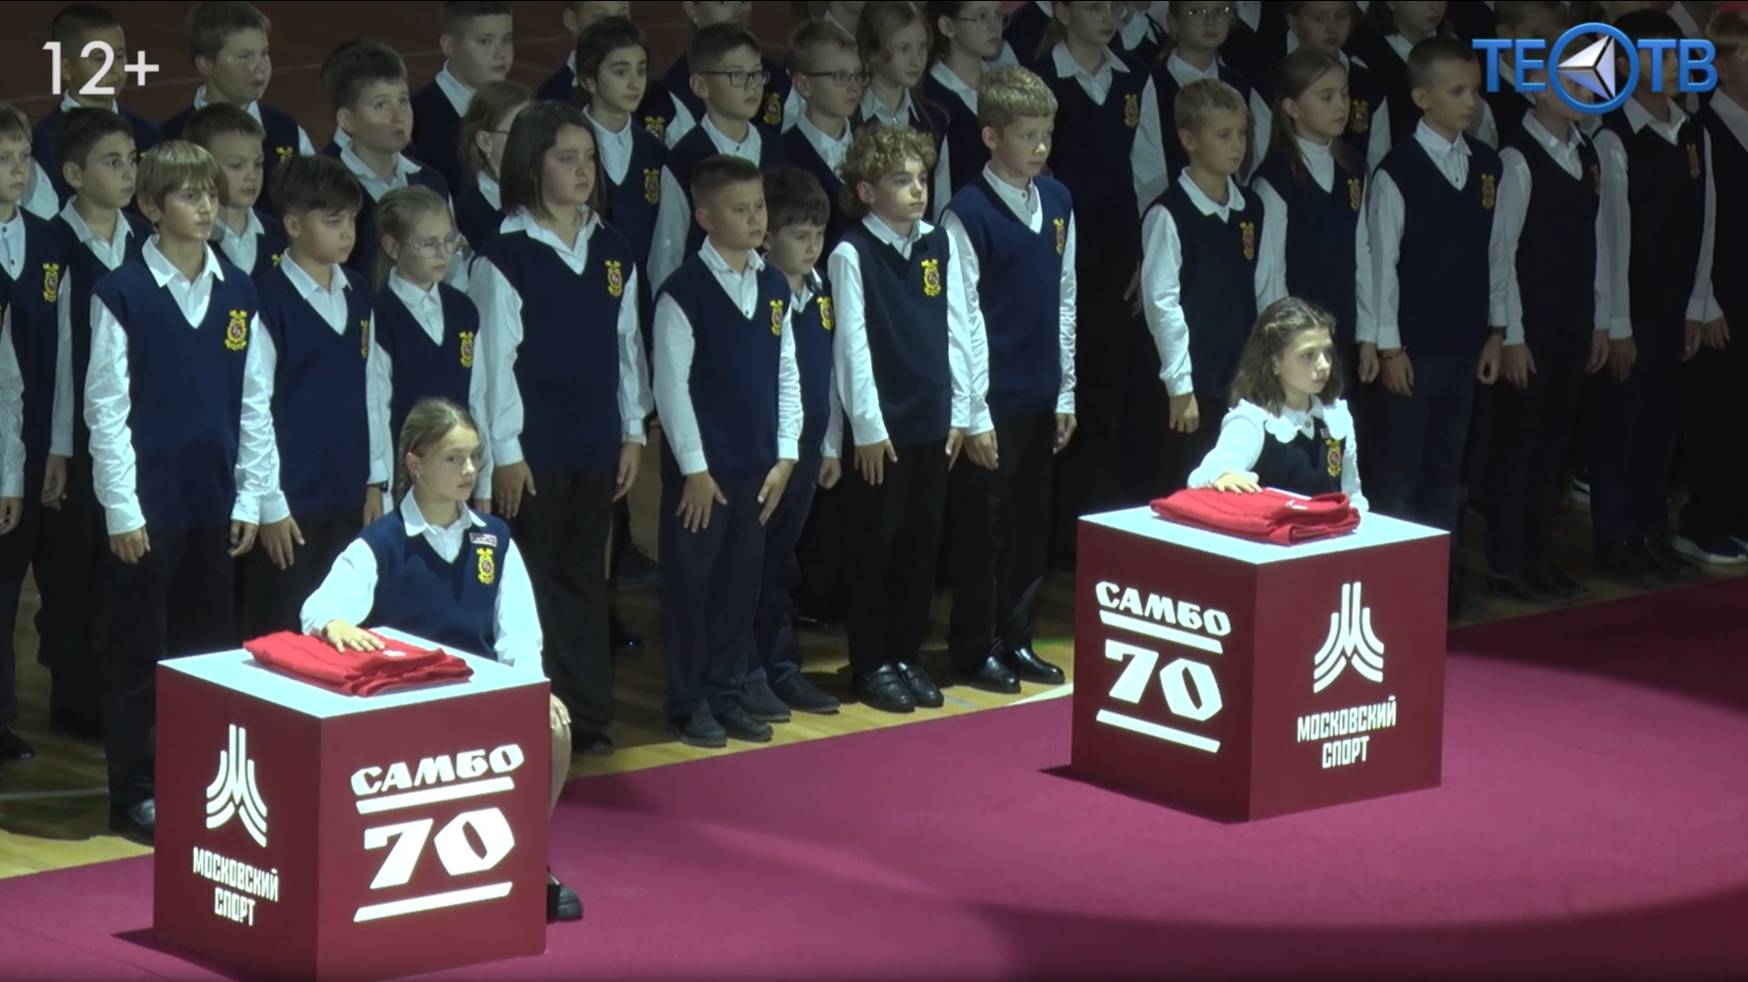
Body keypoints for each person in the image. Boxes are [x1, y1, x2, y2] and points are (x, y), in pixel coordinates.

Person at [300, 397, 582, 923]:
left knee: (554, 727)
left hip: (478, 696)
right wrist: (333, 623)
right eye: (454, 459)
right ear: (415, 463)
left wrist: (531, 692)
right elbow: (317, 609)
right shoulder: (382, 543)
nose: (469, 470)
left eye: (474, 457)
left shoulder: (494, 540)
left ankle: (524, 853)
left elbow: (520, 635)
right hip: (409, 704)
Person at [85, 140, 286, 841]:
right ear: (150, 205)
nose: (207, 207)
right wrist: (122, 508)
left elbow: (254, 403)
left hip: (214, 505)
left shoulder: (239, 291)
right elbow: (106, 410)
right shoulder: (122, 293)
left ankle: (203, 778)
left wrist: (250, 497)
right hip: (148, 510)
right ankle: (135, 791)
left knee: (209, 653)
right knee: (139, 652)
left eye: (211, 194)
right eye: (190, 195)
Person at [471, 101, 651, 757]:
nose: (582, 170)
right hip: (533, 452)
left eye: (588, 158)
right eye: (565, 158)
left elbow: (627, 347)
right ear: (531, 165)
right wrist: (505, 453)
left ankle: (587, 715)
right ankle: (526, 718)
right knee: (532, 585)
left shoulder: (612, 247)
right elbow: (493, 366)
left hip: (595, 442)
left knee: (583, 582)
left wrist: (633, 431)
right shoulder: (505, 256)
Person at [830, 124, 982, 714]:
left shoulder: (936, 243)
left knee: (922, 543)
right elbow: (852, 346)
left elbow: (957, 327)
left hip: (932, 419)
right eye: (902, 180)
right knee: (876, 544)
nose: (918, 190)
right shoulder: (852, 253)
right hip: (883, 430)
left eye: (922, 178)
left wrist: (961, 409)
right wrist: (867, 427)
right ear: (867, 192)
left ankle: (906, 652)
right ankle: (870, 661)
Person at [652, 156, 801, 746]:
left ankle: (727, 688)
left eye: (759, 207)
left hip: (757, 468)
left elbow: (787, 371)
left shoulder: (773, 285)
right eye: (740, 210)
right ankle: (688, 700)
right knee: (693, 586)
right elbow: (671, 387)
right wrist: (693, 468)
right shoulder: (683, 292)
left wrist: (786, 454)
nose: (756, 219)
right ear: (706, 218)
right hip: (705, 477)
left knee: (741, 585)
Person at [1359, 36, 1503, 615]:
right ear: (1421, 97)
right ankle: (1396, 594)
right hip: (1413, 350)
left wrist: (1497, 330)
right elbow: (1381, 264)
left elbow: (1496, 255)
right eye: (1456, 91)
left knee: (1447, 470)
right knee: (1402, 474)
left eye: (1475, 91)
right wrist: (1389, 347)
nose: (1471, 102)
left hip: (1465, 344)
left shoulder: (1487, 165)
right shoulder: (1397, 170)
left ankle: (1440, 587)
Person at [941, 66, 1074, 695]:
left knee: (1029, 526)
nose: (1040, 146)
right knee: (984, 531)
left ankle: (1017, 636)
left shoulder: (1059, 201)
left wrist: (1066, 389)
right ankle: (976, 646)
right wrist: (973, 413)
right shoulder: (967, 213)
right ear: (991, 137)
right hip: (992, 402)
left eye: (1046, 134)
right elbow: (961, 318)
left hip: (1041, 393)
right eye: (1027, 135)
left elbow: (1065, 298)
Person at [1482, 53, 1623, 603]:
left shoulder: (1585, 150)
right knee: (1519, 447)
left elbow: (1598, 241)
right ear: (1536, 88)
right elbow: (1503, 253)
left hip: (1572, 323)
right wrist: (1512, 334)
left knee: (1552, 448)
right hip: (1531, 328)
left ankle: (1539, 556)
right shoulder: (1518, 158)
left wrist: (1601, 320)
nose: (1585, 91)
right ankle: (1507, 561)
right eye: (1570, 82)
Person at [1586, 9, 1722, 580]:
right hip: (1631, 309)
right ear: (1623, 63)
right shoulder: (1612, 135)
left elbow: (1706, 221)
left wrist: (1699, 304)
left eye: (1678, 55)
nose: (1672, 66)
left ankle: (1650, 529)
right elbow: (1610, 239)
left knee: (1662, 424)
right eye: (1659, 55)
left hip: (1673, 305)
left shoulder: (1692, 131)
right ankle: (1615, 539)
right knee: (1622, 424)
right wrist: (1616, 322)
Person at [36, 108, 150, 743]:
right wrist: (58, 445)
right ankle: (73, 696)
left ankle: (117, 691)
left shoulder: (146, 241)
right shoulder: (53, 245)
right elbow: (53, 355)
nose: (128, 173)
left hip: (134, 434)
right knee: (72, 567)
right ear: (74, 174)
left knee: (122, 569)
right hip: (74, 437)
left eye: (132, 161)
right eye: (112, 162)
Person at [1035, 0, 1167, 538]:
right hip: (1058, 251)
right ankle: (1059, 529)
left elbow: (1150, 172)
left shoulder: (1135, 78)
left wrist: (1145, 252)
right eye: (1093, 6)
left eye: (1113, 5)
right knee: (1065, 387)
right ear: (1062, 11)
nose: (1107, 15)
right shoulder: (1042, 76)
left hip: (1118, 255)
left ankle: (1104, 523)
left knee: (1111, 388)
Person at [244, 154, 387, 637]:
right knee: (283, 627)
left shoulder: (358, 293)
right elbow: (254, 409)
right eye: (332, 221)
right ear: (293, 224)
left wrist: (375, 480)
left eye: (352, 219)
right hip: (292, 499)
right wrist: (269, 503)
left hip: (347, 491)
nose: (347, 232)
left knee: (345, 625)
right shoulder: (266, 299)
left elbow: (371, 389)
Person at [1142, 78, 1286, 494]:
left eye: (1242, 134)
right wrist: (1180, 385)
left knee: (1237, 485)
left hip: (1240, 376)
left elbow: (1268, 289)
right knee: (1185, 484)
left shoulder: (1251, 207)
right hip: (1190, 380)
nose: (1237, 145)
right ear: (1189, 139)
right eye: (1224, 135)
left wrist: (1273, 365)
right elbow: (1162, 304)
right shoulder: (1170, 213)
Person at [1250, 49, 1376, 476]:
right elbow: (1270, 275)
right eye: (1325, 96)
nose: (1341, 105)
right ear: (1291, 107)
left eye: (1344, 93)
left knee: (1338, 445)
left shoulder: (1353, 167)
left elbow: (1362, 251)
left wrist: (1369, 334)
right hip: (1298, 342)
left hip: (1342, 328)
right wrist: (1284, 346)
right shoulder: (1276, 177)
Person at [747, 166, 843, 717]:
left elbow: (827, 373)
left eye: (819, 235)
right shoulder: (759, 291)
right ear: (767, 237)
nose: (812, 247)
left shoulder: (821, 290)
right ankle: (752, 671)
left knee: (782, 562)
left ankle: (781, 668)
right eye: (800, 236)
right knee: (756, 564)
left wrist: (829, 444)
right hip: (766, 453)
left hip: (807, 449)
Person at [0, 103, 68, 765]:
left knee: (7, 584)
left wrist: (57, 446)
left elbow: (63, 350)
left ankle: (2, 718)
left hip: (30, 442)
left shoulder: (49, 242)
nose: (17, 170)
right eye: (3, 160)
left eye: (23, 157)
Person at [1187, 297, 1366, 511]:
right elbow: (1208, 472)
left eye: (1327, 352)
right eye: (1308, 355)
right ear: (1275, 362)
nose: (1324, 365)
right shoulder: (1253, 421)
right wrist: (1223, 475)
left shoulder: (1336, 417)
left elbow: (1352, 497)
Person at [648, 23, 788, 292]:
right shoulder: (684, 159)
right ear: (701, 85)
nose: (752, 86)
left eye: (757, 74)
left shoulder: (776, 149)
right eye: (736, 75)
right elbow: (668, 253)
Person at [1680, 9, 1748, 562]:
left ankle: (1738, 514)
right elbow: (1699, 223)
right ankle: (1703, 520)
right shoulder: (1702, 130)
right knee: (1716, 409)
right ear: (1720, 66)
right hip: (1723, 295)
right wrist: (1706, 300)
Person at [371, 186, 488, 485]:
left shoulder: (462, 309)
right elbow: (377, 409)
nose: (443, 252)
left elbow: (476, 397)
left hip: (461, 471)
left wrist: (484, 478)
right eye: (428, 243)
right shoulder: (379, 314)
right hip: (407, 475)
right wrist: (381, 485)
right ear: (393, 247)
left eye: (449, 240)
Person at [158, 1, 317, 214]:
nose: (260, 67)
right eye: (244, 56)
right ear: (205, 64)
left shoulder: (288, 131)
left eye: (264, 53)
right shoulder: (169, 141)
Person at [320, 40, 454, 283]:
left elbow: (454, 265)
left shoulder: (431, 181)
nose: (398, 116)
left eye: (403, 100)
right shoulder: (325, 186)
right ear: (347, 120)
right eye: (381, 105)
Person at [33, 4, 163, 205]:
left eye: (119, 56)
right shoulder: (44, 144)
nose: (114, 69)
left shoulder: (148, 134)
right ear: (65, 68)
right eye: (100, 58)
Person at [410, 1, 515, 193]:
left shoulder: (521, 109)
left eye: (506, 39)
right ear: (449, 46)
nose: (501, 54)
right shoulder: (414, 120)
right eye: (486, 41)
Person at [658, 0, 792, 147]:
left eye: (743, 1)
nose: (738, 11)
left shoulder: (780, 83)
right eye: (725, 2)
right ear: (691, 8)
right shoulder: (669, 97)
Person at [782, 19, 866, 252]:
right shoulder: (781, 156)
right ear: (803, 85)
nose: (854, 86)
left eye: (858, 75)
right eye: (840, 76)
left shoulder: (871, 147)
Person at [1152, 0, 1255, 177]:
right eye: (1197, 11)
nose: (1211, 20)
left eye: (1221, 11)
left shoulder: (1238, 84)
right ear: (1173, 23)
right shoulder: (1152, 85)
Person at [185, 103, 288, 277]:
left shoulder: (280, 234)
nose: (251, 176)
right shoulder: (186, 237)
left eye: (258, 164)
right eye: (236, 165)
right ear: (200, 166)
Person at [924, 2, 1009, 203]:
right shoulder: (930, 98)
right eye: (982, 16)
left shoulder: (1005, 84)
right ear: (947, 26)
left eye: (998, 15)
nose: (994, 26)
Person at [454, 80, 533, 254]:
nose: (532, 142)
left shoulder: (547, 197)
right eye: (520, 131)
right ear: (485, 142)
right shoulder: (468, 215)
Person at [536, 0, 633, 102]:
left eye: (622, 17)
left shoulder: (643, 92)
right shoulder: (552, 99)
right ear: (571, 20)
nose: (615, 27)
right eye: (600, 18)